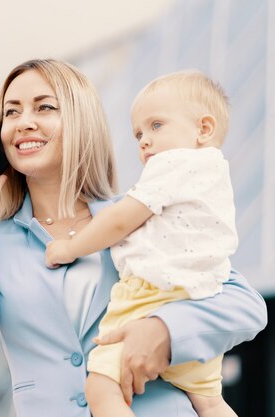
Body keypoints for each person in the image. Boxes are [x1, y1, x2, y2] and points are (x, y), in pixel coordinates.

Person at [0, 59, 267, 417]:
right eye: (11, 112)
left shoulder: (136, 213)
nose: (24, 122)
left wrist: (163, 331)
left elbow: (246, 307)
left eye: (45, 107)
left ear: (80, 121)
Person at [45, 70, 240, 417]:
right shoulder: (214, 174)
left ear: (204, 129)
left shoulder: (172, 165)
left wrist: (69, 248)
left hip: (149, 297)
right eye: (138, 134)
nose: (144, 141)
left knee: (100, 387)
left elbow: (120, 220)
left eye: (156, 126)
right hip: (200, 300)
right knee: (210, 401)